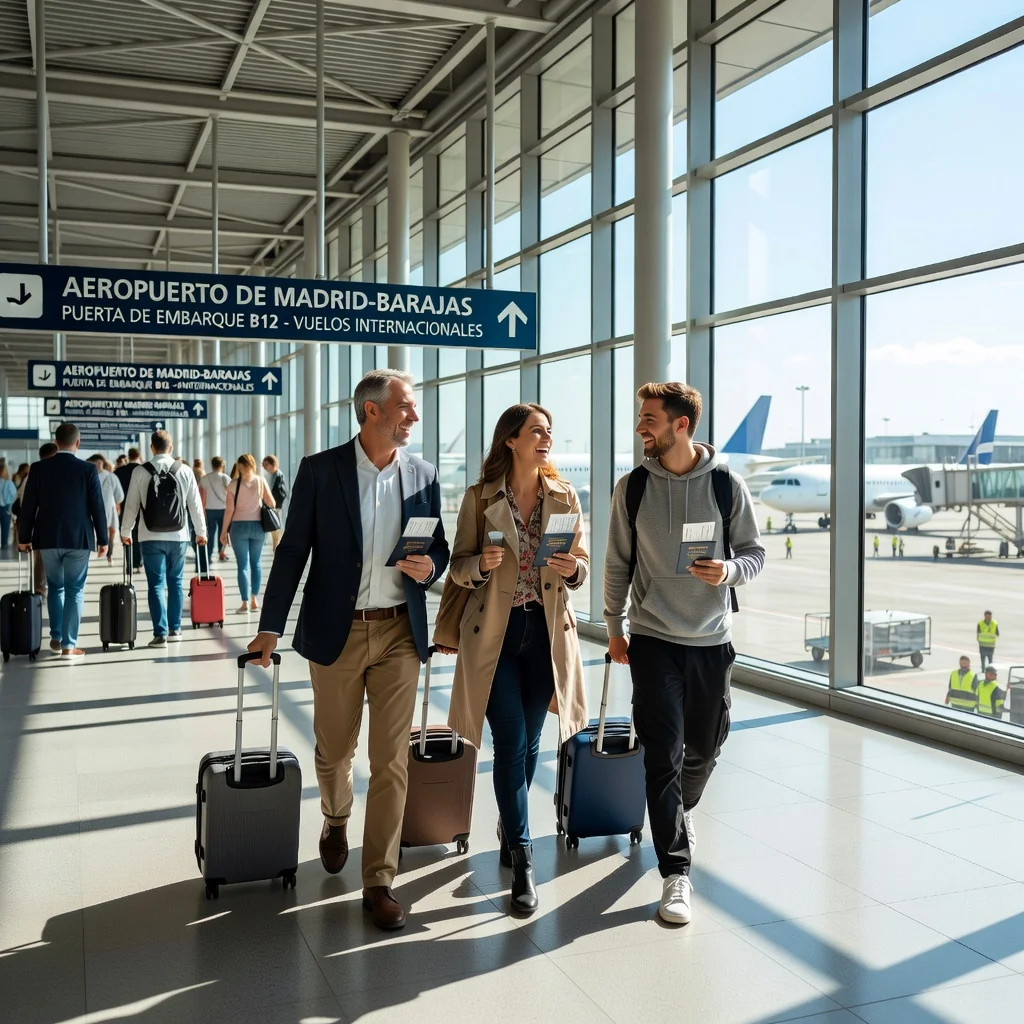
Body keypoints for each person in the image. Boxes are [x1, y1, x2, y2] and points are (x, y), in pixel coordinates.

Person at [247, 369, 449, 932]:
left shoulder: (422, 474)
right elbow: (291, 556)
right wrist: (269, 626)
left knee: (391, 760)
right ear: (370, 412)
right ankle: (336, 818)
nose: (413, 416)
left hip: (398, 634)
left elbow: (439, 546)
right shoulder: (320, 471)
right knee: (335, 750)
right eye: (405, 407)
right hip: (336, 630)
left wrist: (429, 566)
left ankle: (379, 879)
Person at [605, 382, 765, 926]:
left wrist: (730, 570)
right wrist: (614, 628)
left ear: (681, 425)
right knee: (661, 754)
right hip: (652, 638)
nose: (640, 427)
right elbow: (617, 566)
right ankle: (676, 873)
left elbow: (754, 551)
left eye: (649, 418)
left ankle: (683, 808)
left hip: (710, 639)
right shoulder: (632, 488)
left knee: (704, 744)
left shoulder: (726, 486)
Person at [440, 404, 589, 915]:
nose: (546, 438)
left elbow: (581, 565)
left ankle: (511, 820)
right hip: (495, 636)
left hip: (545, 633)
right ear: (511, 440)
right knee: (510, 741)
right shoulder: (480, 500)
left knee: (530, 745)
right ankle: (524, 859)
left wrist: (573, 569)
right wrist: (478, 564)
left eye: (550, 431)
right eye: (537, 431)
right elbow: (456, 566)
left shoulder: (564, 495)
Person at [17, 423, 107, 659]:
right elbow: (97, 506)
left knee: (54, 587)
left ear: (55, 442)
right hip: (78, 539)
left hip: (47, 538)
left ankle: (56, 637)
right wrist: (103, 539)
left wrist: (23, 538)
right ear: (78, 443)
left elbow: (28, 508)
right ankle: (69, 645)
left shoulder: (38, 469)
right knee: (75, 590)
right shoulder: (88, 470)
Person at [120, 430, 206, 648]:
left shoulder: (140, 471)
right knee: (176, 583)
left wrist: (125, 531)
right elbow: (195, 505)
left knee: (156, 585)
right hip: (179, 536)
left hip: (149, 536)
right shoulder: (185, 471)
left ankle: (160, 634)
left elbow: (131, 505)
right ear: (172, 447)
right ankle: (175, 630)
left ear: (152, 447)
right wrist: (201, 532)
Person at [221, 455, 275, 614]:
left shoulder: (232, 485)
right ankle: (254, 600)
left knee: (242, 566)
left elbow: (229, 510)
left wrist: (224, 531)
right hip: (258, 527)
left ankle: (244, 602)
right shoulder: (260, 481)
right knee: (256, 563)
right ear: (253, 465)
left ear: (239, 467)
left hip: (239, 528)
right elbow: (272, 503)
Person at [87, 454, 124, 565]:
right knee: (110, 532)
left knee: (97, 530)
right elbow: (120, 495)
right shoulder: (111, 476)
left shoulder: (87, 476)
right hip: (108, 507)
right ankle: (109, 554)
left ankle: (101, 551)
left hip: (92, 509)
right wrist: (117, 504)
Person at [114, 448, 144, 572]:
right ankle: (139, 562)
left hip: (125, 507)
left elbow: (117, 493)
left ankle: (130, 564)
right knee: (139, 536)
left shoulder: (119, 471)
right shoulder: (145, 470)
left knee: (126, 535)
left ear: (128, 456)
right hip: (142, 509)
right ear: (139, 456)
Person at [199, 456, 231, 563]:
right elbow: (230, 495)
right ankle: (221, 554)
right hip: (223, 509)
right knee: (223, 533)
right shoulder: (225, 478)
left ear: (212, 465)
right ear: (222, 466)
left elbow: (202, 496)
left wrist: (202, 510)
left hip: (209, 510)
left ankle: (208, 556)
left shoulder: (205, 478)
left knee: (210, 534)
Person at [262, 455, 289, 553]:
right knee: (275, 526)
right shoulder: (272, 475)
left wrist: (276, 505)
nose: (265, 467)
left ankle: (276, 547)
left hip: (276, 506)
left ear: (272, 463)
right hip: (273, 505)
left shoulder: (277, 475)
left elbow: (281, 492)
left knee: (276, 526)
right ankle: (275, 546)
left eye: (266, 464)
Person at [0, 460, 16, 548]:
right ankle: (4, 544)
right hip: (5, 507)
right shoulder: (8, 482)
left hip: (4, 507)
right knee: (5, 527)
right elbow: (14, 494)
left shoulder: (7, 482)